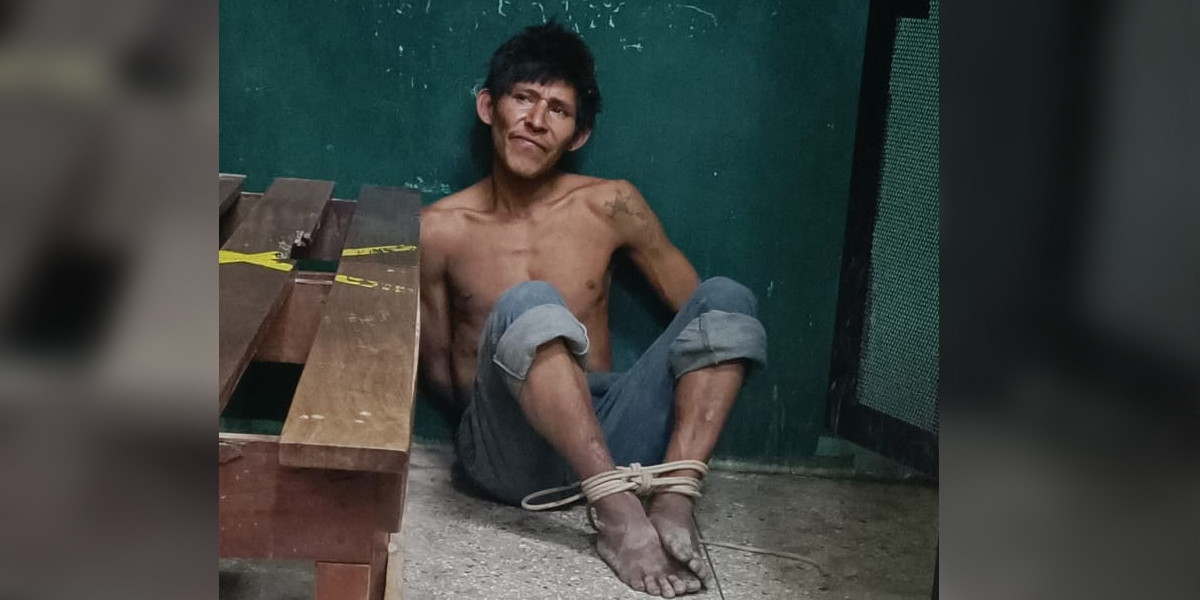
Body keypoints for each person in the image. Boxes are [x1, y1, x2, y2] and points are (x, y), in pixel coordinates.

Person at [418, 21, 767, 598]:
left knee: (728, 299)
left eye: (557, 109)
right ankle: (619, 517)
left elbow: (699, 320)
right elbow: (437, 366)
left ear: (577, 135)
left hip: (615, 429)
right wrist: (503, 409)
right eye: (523, 98)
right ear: (488, 106)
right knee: (530, 300)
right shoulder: (439, 229)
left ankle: (675, 497)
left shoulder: (610, 204)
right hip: (506, 451)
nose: (536, 120)